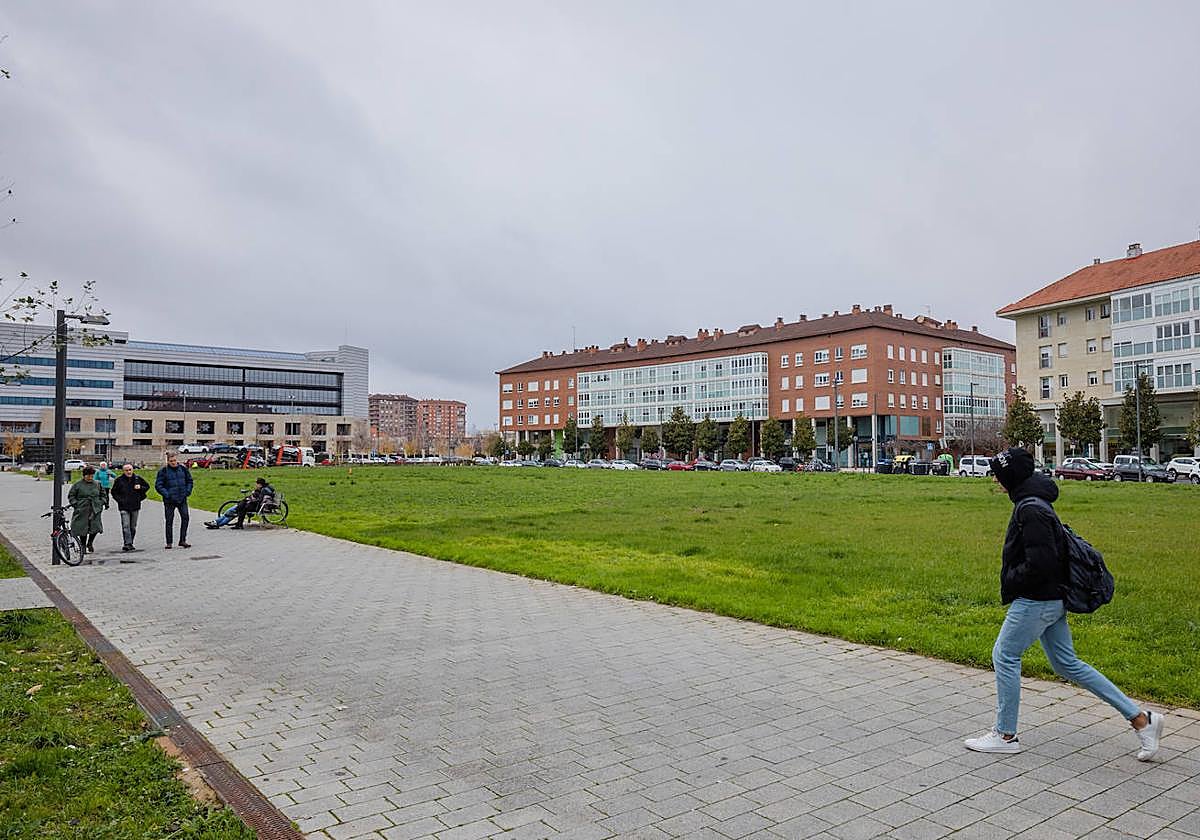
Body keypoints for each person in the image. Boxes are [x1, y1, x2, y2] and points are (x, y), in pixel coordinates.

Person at [964, 446, 1164, 760]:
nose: (994, 478)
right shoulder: (1034, 502)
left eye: (997, 473)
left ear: (1011, 477)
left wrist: (1012, 579)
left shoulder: (1030, 509)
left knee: (1004, 655)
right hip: (1052, 598)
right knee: (1067, 664)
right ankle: (1142, 720)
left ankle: (1005, 734)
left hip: (1038, 599)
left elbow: (1041, 563)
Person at [155, 451, 193, 549]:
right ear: (168, 461)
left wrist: (188, 491)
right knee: (169, 521)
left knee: (185, 518)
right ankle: (169, 542)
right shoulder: (163, 471)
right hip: (170, 500)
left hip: (182, 498)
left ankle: (182, 540)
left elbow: (189, 481)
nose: (173, 462)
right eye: (171, 461)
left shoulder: (183, 469)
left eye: (175, 460)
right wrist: (167, 494)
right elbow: (159, 485)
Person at [205, 477, 274, 530]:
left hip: (255, 507)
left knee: (232, 512)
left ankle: (217, 524)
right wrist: (251, 497)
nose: (255, 485)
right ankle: (216, 523)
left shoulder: (263, 490)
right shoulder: (262, 489)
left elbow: (259, 500)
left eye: (256, 484)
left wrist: (250, 499)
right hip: (250, 505)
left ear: (260, 484)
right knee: (231, 511)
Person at [110, 463, 149, 551]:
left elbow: (147, 487)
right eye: (126, 470)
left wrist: (140, 487)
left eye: (130, 470)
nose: (128, 472)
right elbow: (114, 492)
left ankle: (130, 541)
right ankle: (127, 543)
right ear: (123, 471)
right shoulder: (119, 480)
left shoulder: (137, 478)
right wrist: (120, 500)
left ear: (132, 470)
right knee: (126, 525)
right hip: (123, 506)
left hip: (135, 505)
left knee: (133, 526)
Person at [67, 466, 106, 554]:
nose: (90, 478)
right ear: (84, 476)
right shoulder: (77, 485)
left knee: (95, 527)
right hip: (82, 508)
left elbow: (103, 495)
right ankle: (83, 545)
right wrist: (75, 504)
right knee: (82, 527)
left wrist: (101, 502)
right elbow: (71, 496)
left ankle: (90, 542)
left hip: (95, 508)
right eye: (88, 476)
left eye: (92, 476)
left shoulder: (97, 484)